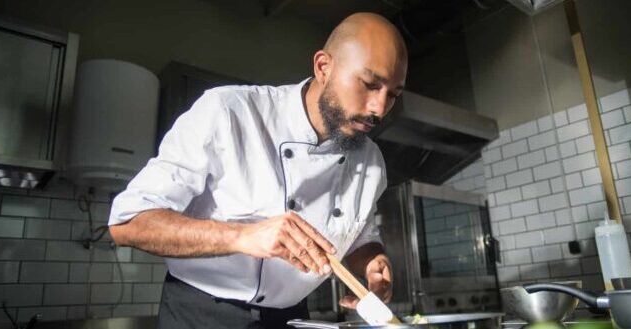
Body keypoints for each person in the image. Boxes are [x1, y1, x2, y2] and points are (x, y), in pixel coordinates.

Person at [108, 12, 408, 329]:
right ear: (323, 67)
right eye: (369, 84)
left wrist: (374, 263)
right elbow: (128, 223)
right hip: (200, 314)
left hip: (291, 318)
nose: (379, 108)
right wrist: (244, 236)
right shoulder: (228, 112)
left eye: (393, 95)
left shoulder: (371, 161)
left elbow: (361, 235)